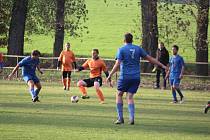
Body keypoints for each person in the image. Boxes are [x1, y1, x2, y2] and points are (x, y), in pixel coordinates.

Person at [106, 33, 168, 125]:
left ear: (124, 40)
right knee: (130, 97)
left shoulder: (121, 49)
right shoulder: (138, 49)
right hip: (136, 77)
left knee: (119, 94)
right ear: (132, 40)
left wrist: (110, 75)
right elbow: (150, 59)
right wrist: (162, 65)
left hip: (125, 77)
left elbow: (117, 64)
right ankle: (131, 118)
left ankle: (120, 118)